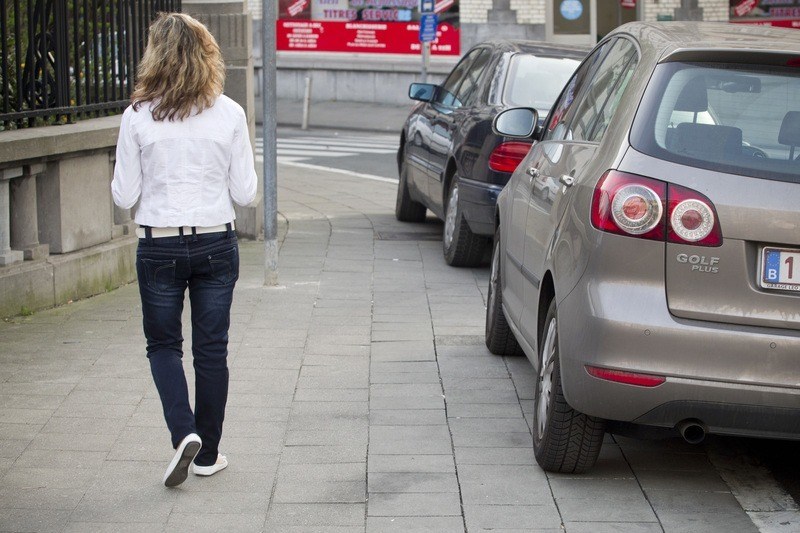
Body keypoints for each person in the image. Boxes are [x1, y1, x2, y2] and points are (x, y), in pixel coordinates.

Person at [111, 12, 258, 488]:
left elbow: (123, 195)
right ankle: (207, 455)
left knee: (163, 346)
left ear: (155, 56)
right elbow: (247, 193)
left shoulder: (136, 116)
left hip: (158, 244)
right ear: (207, 54)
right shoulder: (230, 113)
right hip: (216, 240)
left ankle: (183, 433)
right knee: (212, 351)